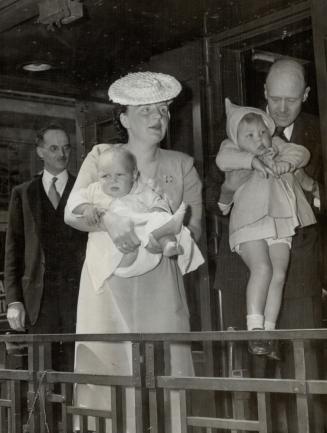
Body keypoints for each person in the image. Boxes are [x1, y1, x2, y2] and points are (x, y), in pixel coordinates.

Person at [64, 71, 202, 432]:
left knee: (165, 385)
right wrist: (109, 218)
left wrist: (162, 236)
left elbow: (195, 231)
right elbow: (72, 210)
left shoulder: (182, 165)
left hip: (161, 287)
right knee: (107, 384)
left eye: (164, 110)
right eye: (146, 111)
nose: (159, 118)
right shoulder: (101, 157)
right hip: (107, 284)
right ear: (124, 119)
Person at [216, 99, 315, 358]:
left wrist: (287, 164)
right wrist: (251, 161)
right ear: (236, 138)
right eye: (249, 135)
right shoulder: (233, 150)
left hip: (280, 222)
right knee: (262, 268)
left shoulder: (276, 147)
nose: (259, 138)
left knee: (279, 273)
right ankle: (255, 329)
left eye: (262, 132)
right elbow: (224, 158)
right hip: (250, 222)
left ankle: (268, 334)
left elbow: (301, 152)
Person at [264, 58, 324, 433]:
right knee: (257, 383)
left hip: (303, 270)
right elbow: (211, 200)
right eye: (275, 99)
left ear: (305, 95)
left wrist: (308, 183)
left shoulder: (320, 133)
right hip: (251, 271)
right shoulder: (240, 129)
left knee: (306, 374)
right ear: (264, 94)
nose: (282, 109)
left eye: (292, 99)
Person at [4, 124, 87, 372]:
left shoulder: (84, 191)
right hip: (38, 301)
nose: (61, 154)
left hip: (78, 296)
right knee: (41, 372)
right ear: (40, 152)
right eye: (53, 148)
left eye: (65, 148)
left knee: (77, 367)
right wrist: (14, 301)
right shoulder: (23, 193)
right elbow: (13, 250)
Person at [70, 145, 204, 292]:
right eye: (105, 176)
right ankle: (166, 233)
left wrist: (158, 211)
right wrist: (87, 208)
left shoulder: (141, 190)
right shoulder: (95, 190)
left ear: (133, 175)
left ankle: (168, 242)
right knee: (145, 224)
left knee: (157, 217)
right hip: (113, 256)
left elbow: (158, 202)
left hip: (145, 252)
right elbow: (74, 202)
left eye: (119, 175)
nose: (112, 181)